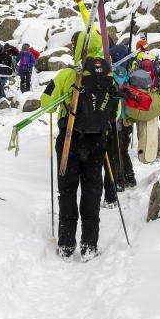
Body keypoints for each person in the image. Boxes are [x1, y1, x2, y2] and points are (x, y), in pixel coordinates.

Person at [42, 56, 120, 259]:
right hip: (96, 143)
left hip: (70, 141)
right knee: (92, 192)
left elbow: (46, 103)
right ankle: (89, 246)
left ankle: (67, 245)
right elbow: (115, 112)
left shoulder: (68, 75)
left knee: (67, 191)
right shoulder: (108, 78)